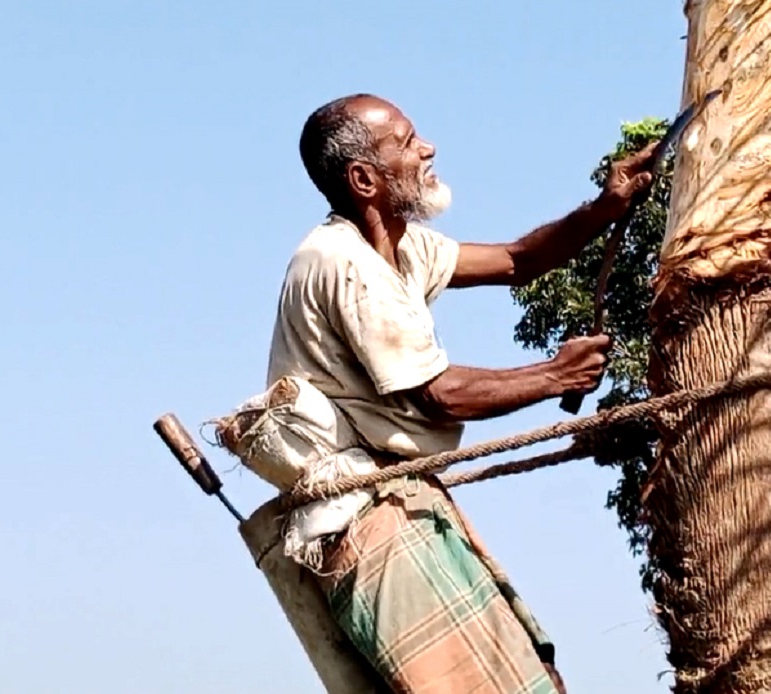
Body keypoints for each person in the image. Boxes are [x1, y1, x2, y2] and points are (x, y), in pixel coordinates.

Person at [265, 93, 657, 694]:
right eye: (407, 141)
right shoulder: (344, 263)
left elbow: (516, 260)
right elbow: (438, 395)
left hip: (402, 498)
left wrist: (606, 206)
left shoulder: (400, 246)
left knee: (531, 678)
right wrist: (555, 375)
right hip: (366, 519)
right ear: (365, 178)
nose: (428, 149)